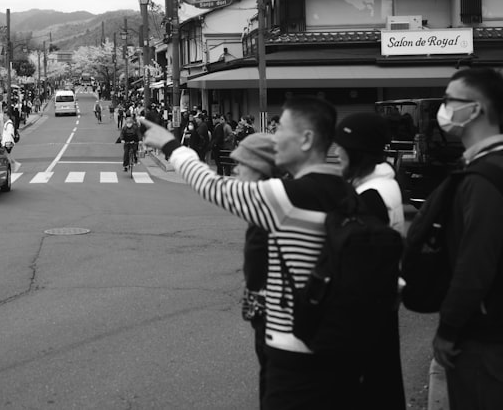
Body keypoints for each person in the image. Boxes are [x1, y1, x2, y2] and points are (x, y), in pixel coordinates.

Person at [140, 96, 366, 408]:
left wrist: (171, 145)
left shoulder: (288, 197)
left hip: (294, 353)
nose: (275, 136)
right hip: (344, 351)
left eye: (281, 128)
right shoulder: (350, 193)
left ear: (306, 139)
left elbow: (212, 186)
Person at [431, 67, 503, 409]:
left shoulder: (486, 176)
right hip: (500, 324)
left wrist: (448, 328)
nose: (444, 109)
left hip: (482, 330)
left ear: (476, 108)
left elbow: (476, 262)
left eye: (450, 100)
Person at [332, 112, 405, 410]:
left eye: (341, 147)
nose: (336, 153)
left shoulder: (370, 197)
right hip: (382, 301)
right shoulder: (385, 183)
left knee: (369, 387)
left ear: (357, 151)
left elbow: (356, 266)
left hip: (365, 312)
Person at [228, 132, 279, 408]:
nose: (235, 170)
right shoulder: (265, 204)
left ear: (260, 170)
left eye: (242, 164)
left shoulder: (272, 208)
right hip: (268, 314)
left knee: (274, 386)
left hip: (276, 319)